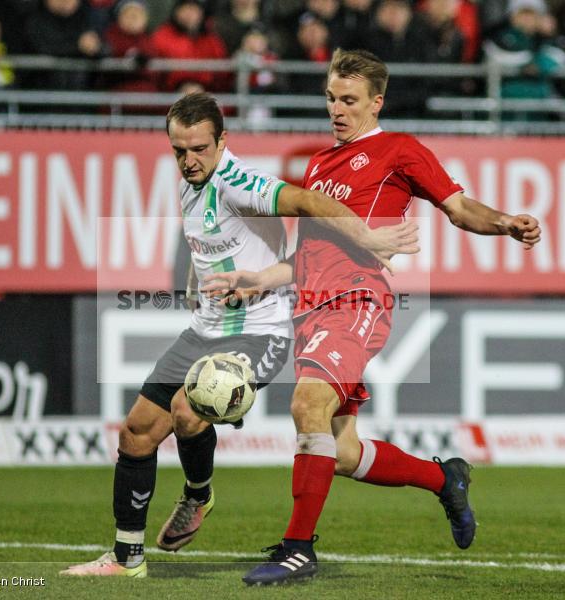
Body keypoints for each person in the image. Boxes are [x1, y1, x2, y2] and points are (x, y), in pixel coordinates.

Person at [205, 49, 541, 585]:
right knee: (339, 451)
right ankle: (443, 477)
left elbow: (457, 206)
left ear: (376, 102)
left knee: (307, 402)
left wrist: (503, 222)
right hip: (313, 310)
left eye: (349, 100)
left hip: (358, 300)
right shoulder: (317, 165)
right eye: (332, 99)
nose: (337, 110)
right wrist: (255, 280)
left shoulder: (400, 150)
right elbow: (306, 257)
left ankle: (297, 549)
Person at [59, 92, 419, 578]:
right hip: (204, 330)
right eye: (179, 151)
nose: (189, 160)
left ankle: (197, 495)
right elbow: (211, 242)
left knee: (188, 412)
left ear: (222, 141)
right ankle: (128, 559)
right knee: (136, 433)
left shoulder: (238, 181)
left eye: (200, 149)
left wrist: (370, 238)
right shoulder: (192, 181)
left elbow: (309, 200)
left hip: (259, 334)